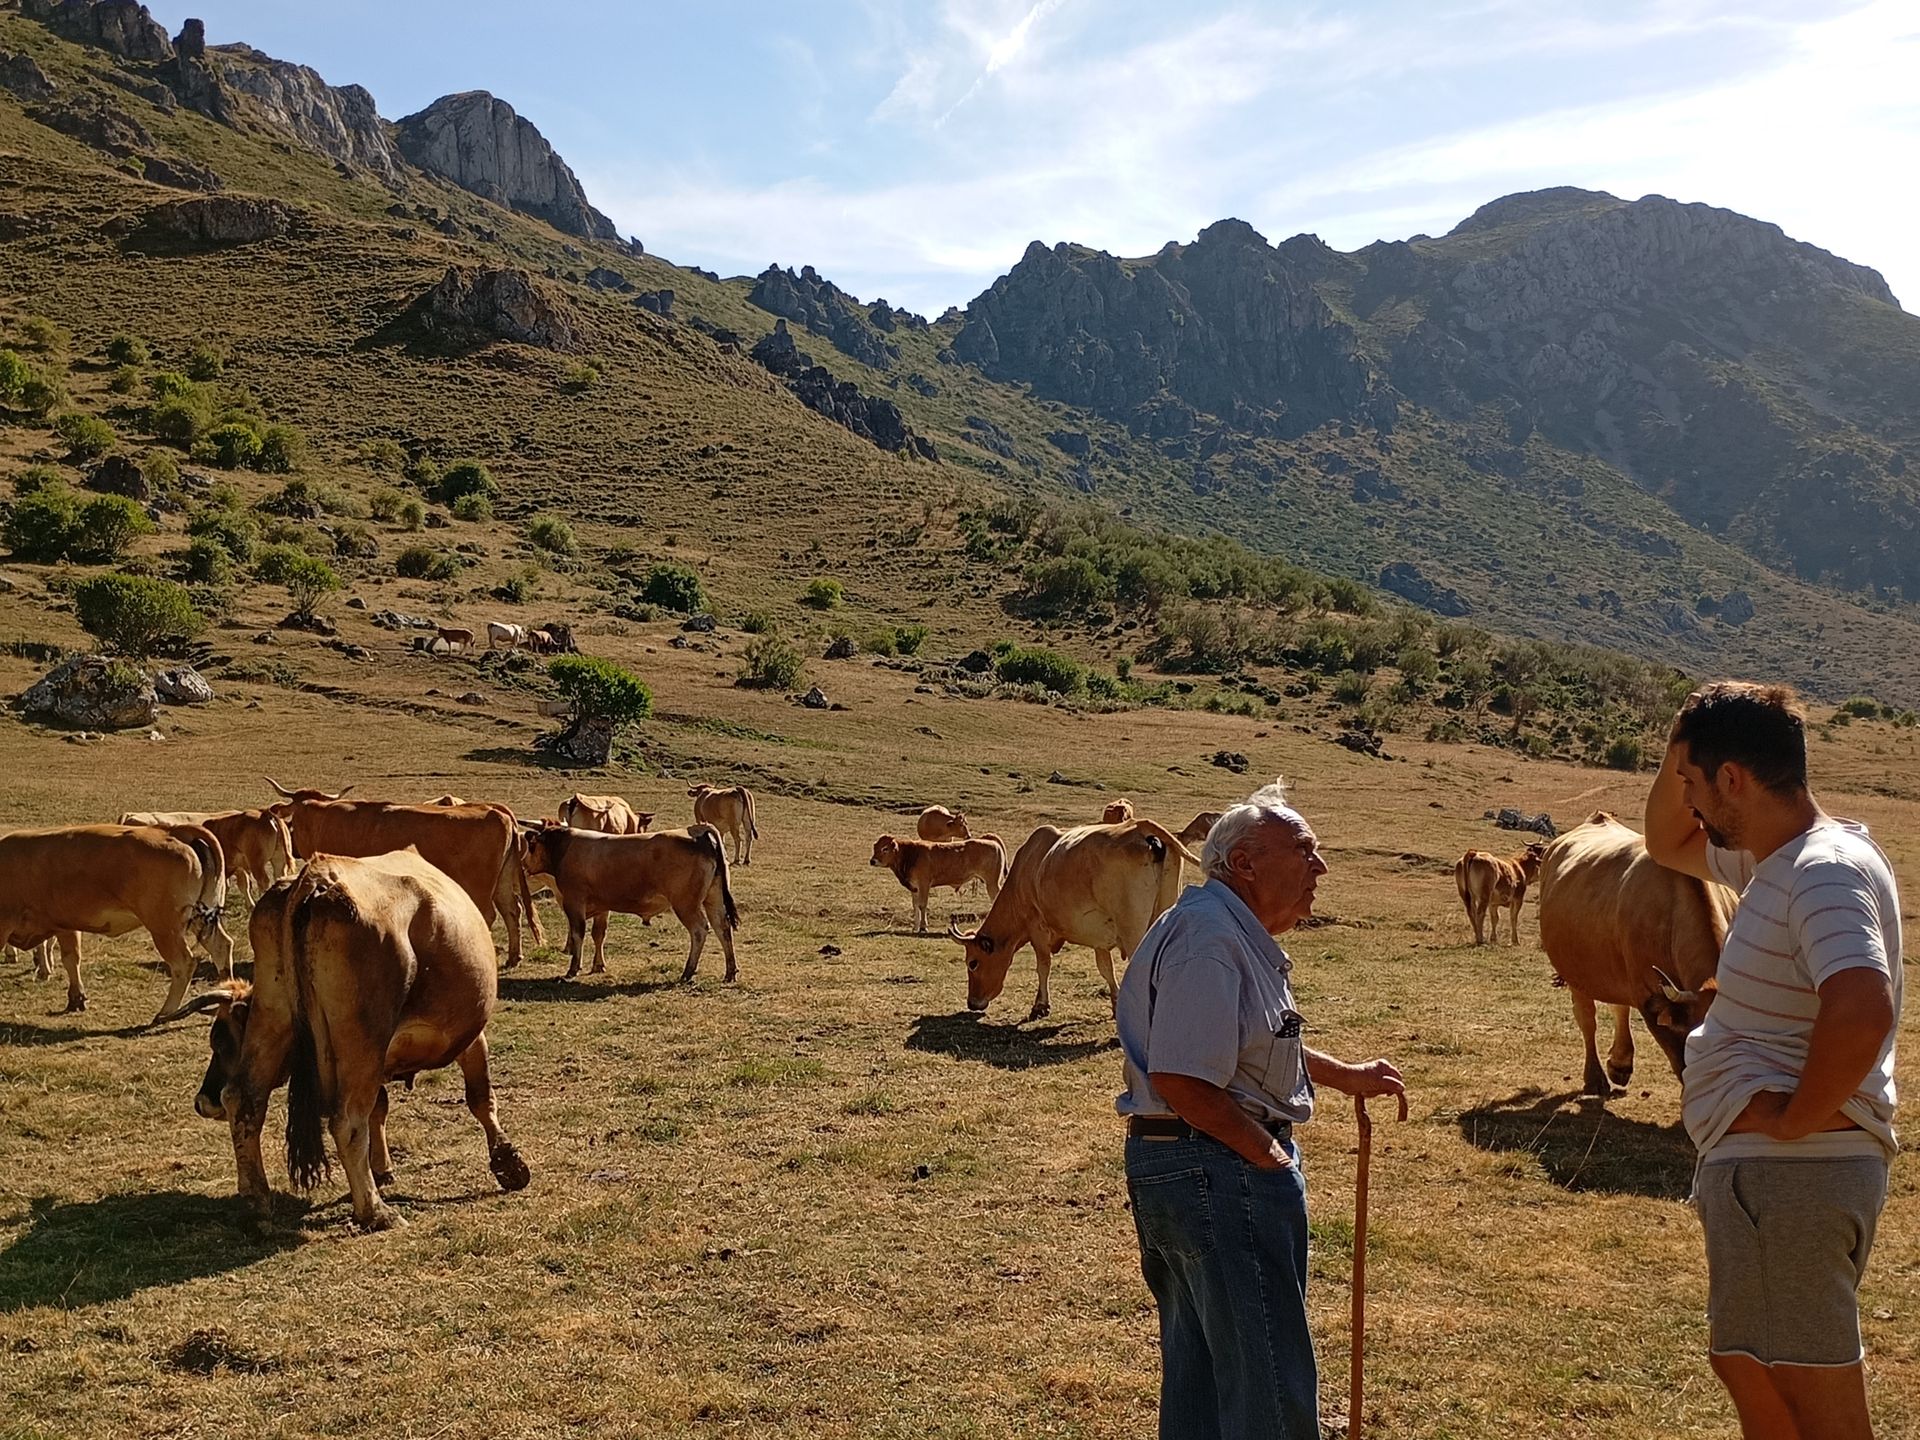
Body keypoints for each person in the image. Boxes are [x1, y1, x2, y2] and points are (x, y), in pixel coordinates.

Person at [1644, 681, 1902, 1440]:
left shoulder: (1820, 872)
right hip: (1782, 1181)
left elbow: (1862, 1004)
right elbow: (1664, 843)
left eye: (1692, 782)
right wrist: (1683, 738)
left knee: (1810, 1395)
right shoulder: (1776, 864)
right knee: (1756, 1371)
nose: (1686, 802)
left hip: (1793, 1176)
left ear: (1732, 779)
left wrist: (1794, 1120)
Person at [1116, 778, 1404, 1440]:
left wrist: (1346, 1076)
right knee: (1268, 1384)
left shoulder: (1221, 931)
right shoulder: (1210, 939)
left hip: (1189, 1165)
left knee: (1205, 1379)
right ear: (1245, 862)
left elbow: (1247, 1047)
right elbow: (1183, 1077)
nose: (1319, 867)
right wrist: (1268, 1156)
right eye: (1303, 849)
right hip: (1218, 1171)